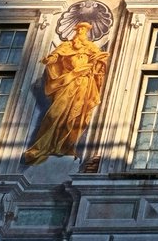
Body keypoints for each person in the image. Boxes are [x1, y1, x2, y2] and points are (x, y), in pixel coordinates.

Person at [24, 22, 110, 165]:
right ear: (76, 30)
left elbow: (100, 62)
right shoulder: (66, 46)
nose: (82, 31)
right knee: (54, 114)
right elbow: (55, 56)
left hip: (83, 84)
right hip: (67, 83)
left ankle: (65, 146)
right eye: (80, 29)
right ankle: (44, 146)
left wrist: (99, 62)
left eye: (85, 30)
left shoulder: (91, 47)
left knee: (76, 117)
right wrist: (50, 59)